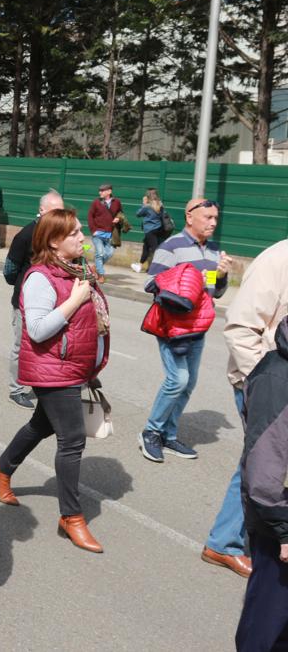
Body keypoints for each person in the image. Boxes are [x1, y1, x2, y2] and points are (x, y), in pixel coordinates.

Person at [0, 208, 110, 554]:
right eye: (73, 233)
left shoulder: (78, 271)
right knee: (71, 440)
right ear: (55, 241)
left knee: (41, 424)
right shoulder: (40, 277)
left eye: (80, 231)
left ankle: (2, 469)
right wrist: (74, 301)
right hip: (52, 369)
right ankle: (71, 517)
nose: (81, 237)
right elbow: (39, 330)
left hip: (73, 367)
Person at [203, 239, 288, 580]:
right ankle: (224, 543)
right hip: (269, 386)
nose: (212, 222)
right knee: (259, 464)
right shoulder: (278, 259)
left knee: (262, 464)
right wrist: (262, 382)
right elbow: (240, 328)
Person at [138, 197, 233, 463]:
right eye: (208, 217)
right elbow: (150, 282)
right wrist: (184, 280)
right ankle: (151, 432)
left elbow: (213, 291)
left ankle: (169, 435)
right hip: (173, 326)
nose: (214, 222)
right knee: (176, 380)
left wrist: (221, 275)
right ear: (190, 216)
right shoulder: (172, 246)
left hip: (198, 328)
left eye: (216, 217)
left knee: (188, 383)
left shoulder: (213, 251)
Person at [234, 315, 288, 650]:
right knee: (266, 627)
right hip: (279, 526)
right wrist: (284, 529)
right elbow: (264, 471)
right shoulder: (276, 378)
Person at [2, 190, 65, 410]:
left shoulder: (59, 235)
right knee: (22, 346)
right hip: (23, 303)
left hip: (51, 303)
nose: (61, 215)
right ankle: (16, 389)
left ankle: (41, 383)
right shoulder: (27, 234)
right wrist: (23, 287)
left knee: (45, 345)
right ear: (42, 210)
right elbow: (9, 269)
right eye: (56, 210)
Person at [86, 183, 122, 283]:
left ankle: (96, 268)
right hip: (98, 234)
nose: (100, 192)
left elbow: (120, 212)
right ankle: (101, 275)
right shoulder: (96, 202)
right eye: (99, 190)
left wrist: (118, 218)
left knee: (109, 254)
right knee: (100, 254)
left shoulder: (117, 202)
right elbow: (90, 216)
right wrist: (93, 231)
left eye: (102, 190)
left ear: (109, 191)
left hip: (111, 234)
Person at [133, 188, 171, 273]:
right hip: (158, 229)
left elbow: (138, 214)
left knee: (155, 249)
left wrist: (143, 204)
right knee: (146, 247)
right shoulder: (160, 205)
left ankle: (158, 268)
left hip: (149, 230)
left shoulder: (147, 206)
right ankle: (140, 265)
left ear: (147, 196)